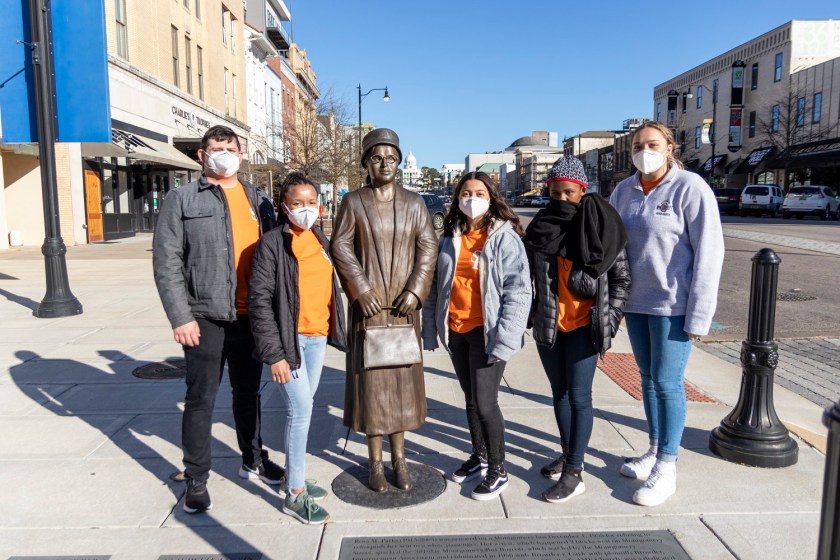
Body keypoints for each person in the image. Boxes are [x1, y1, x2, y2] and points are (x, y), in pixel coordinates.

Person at [153, 124, 282, 513]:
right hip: (204, 317)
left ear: (241, 154)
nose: (223, 153)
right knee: (200, 399)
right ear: (201, 155)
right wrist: (180, 316)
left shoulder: (259, 200)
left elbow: (275, 257)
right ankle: (196, 477)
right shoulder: (182, 200)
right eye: (215, 148)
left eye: (230, 147)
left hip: (250, 317)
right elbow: (166, 261)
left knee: (248, 394)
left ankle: (253, 457)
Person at [609, 121, 724, 507]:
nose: (645, 150)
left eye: (653, 143)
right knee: (647, 379)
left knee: (667, 382)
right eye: (638, 145)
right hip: (636, 302)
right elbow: (611, 245)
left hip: (673, 304)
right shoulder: (623, 191)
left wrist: (699, 316)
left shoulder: (690, 189)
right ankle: (654, 449)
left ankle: (668, 465)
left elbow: (709, 253)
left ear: (670, 147)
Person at [330, 128, 438, 493]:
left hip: (405, 310)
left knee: (402, 386)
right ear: (366, 163)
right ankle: (375, 462)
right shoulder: (354, 202)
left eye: (391, 157)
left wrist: (416, 289)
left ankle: (400, 458)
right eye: (377, 157)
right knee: (373, 388)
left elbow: (428, 248)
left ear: (400, 162)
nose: (385, 163)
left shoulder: (415, 203)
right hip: (371, 311)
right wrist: (360, 290)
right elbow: (341, 246)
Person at [523, 156, 631, 504]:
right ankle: (569, 454)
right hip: (551, 324)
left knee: (580, 396)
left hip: (585, 326)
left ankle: (575, 472)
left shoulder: (603, 225)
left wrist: (609, 321)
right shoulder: (540, 227)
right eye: (555, 193)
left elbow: (622, 281)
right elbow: (525, 278)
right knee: (560, 394)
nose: (562, 199)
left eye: (569, 192)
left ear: (582, 191)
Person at [422, 171, 531, 500]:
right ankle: (479, 455)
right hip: (457, 331)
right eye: (465, 193)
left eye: (479, 192)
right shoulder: (449, 237)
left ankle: (499, 469)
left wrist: (506, 339)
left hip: (489, 334)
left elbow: (519, 291)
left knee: (485, 403)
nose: (472, 198)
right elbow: (433, 289)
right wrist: (430, 329)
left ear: (491, 197)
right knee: (470, 401)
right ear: (457, 199)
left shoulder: (503, 237)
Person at [248, 173, 347, 525]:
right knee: (300, 409)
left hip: (316, 338)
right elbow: (259, 301)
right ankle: (294, 494)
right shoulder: (272, 243)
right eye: (297, 203)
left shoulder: (319, 238)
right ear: (284, 206)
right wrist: (274, 354)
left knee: (302, 411)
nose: (305, 209)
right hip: (289, 343)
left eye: (311, 203)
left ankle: (296, 476)